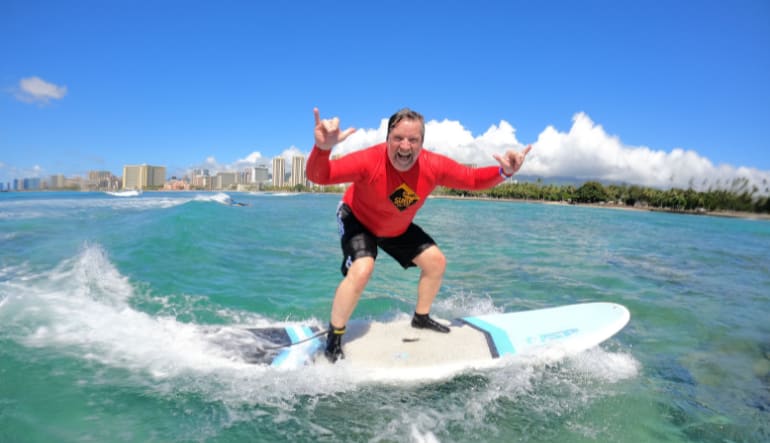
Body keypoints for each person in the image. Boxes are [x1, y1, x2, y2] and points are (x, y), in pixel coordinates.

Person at [307, 107, 532, 362]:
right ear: (387, 139)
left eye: (413, 139)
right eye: (398, 138)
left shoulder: (432, 165)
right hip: (357, 218)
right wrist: (322, 149)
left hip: (394, 227)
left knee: (435, 262)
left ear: (421, 143)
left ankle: (421, 318)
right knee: (363, 268)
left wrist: (505, 172)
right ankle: (334, 338)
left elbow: (471, 179)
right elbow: (319, 176)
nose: (405, 146)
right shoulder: (369, 160)